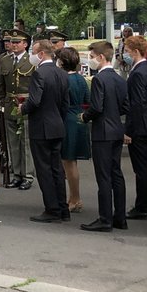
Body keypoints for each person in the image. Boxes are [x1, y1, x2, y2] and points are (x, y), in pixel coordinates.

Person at [79, 42, 128, 232]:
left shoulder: (100, 79)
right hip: (116, 129)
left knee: (104, 176)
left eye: (91, 56)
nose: (90, 60)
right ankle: (120, 217)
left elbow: (97, 107)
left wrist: (85, 116)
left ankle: (105, 218)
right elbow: (125, 105)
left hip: (103, 132)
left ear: (101, 57)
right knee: (116, 174)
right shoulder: (119, 79)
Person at [21, 39, 70, 222]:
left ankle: (52, 208)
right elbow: (65, 104)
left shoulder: (40, 74)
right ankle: (63, 207)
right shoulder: (62, 74)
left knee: (44, 169)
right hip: (57, 125)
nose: (32, 56)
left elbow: (34, 101)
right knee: (57, 168)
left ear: (41, 54)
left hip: (41, 127)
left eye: (34, 52)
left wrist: (23, 108)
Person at [124, 35, 147, 220]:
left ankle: (142, 205)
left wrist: (128, 130)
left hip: (139, 125)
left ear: (136, 52)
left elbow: (136, 103)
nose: (126, 54)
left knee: (141, 168)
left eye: (128, 51)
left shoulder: (138, 72)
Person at [0, 28, 35, 190]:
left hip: (25, 103)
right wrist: (1, 102)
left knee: (25, 140)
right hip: (9, 103)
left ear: (25, 44)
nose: (13, 44)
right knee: (12, 141)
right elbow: (0, 84)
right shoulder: (4, 60)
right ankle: (17, 174)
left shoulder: (32, 61)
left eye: (17, 42)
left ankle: (28, 175)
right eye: (12, 42)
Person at [58, 46, 90, 212]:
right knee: (72, 161)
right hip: (79, 117)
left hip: (68, 119)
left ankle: (75, 198)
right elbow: (87, 100)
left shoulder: (64, 80)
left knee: (68, 161)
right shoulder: (81, 79)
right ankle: (73, 196)